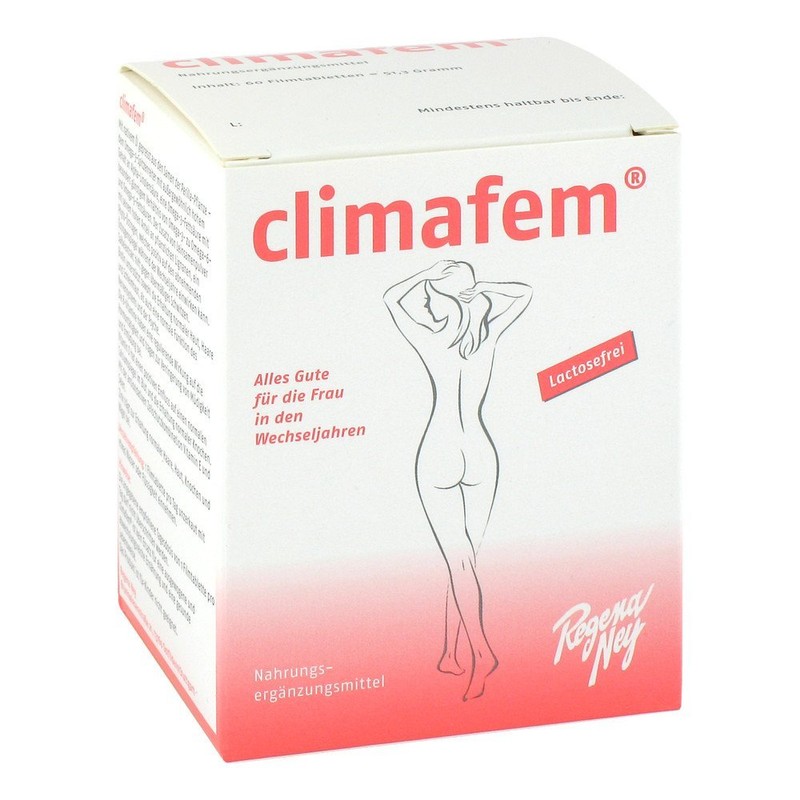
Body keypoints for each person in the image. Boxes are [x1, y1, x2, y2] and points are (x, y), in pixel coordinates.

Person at [384, 260, 532, 700]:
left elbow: (391, 298)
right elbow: (523, 292)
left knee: (459, 561)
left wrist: (428, 272)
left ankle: (482, 654)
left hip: (441, 453)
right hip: (480, 454)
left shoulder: (432, 341)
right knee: (465, 560)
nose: (426, 305)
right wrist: (474, 287)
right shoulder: (486, 338)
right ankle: (450, 653)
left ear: (445, 301)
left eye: (431, 298)